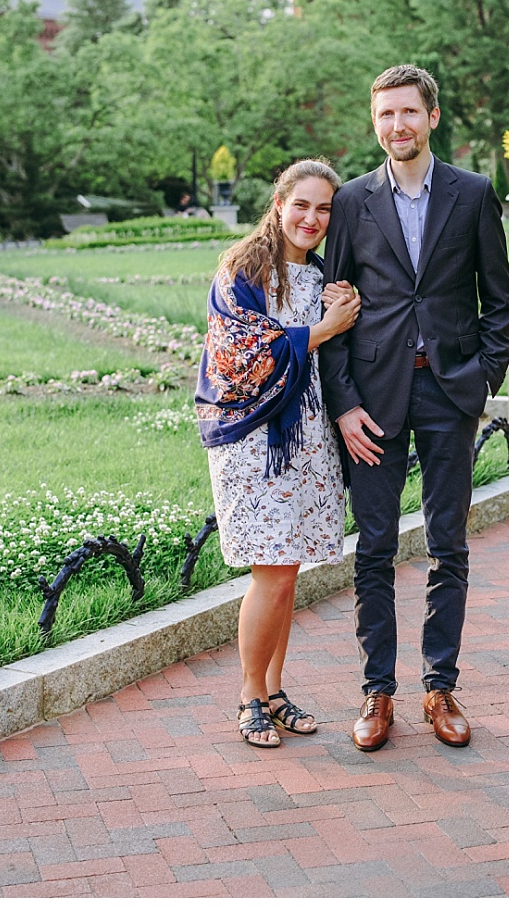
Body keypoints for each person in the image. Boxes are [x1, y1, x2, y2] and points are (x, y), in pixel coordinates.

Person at [318, 64, 509, 752]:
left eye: (408, 112)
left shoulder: (472, 193)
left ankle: (440, 686)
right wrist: (342, 403)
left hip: (448, 392)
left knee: (448, 543)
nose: (396, 125)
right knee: (373, 547)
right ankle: (378, 693)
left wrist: (483, 378)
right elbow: (334, 308)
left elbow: (499, 296)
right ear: (374, 123)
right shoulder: (350, 202)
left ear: (432, 116)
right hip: (372, 401)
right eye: (384, 115)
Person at [196, 159, 361, 747]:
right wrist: (321, 331)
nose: (311, 218)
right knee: (270, 571)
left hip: (308, 439)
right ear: (279, 204)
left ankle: (273, 687)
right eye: (302, 205)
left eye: (324, 209)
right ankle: (248, 696)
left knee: (288, 574)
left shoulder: (322, 280)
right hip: (253, 441)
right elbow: (237, 356)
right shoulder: (244, 268)